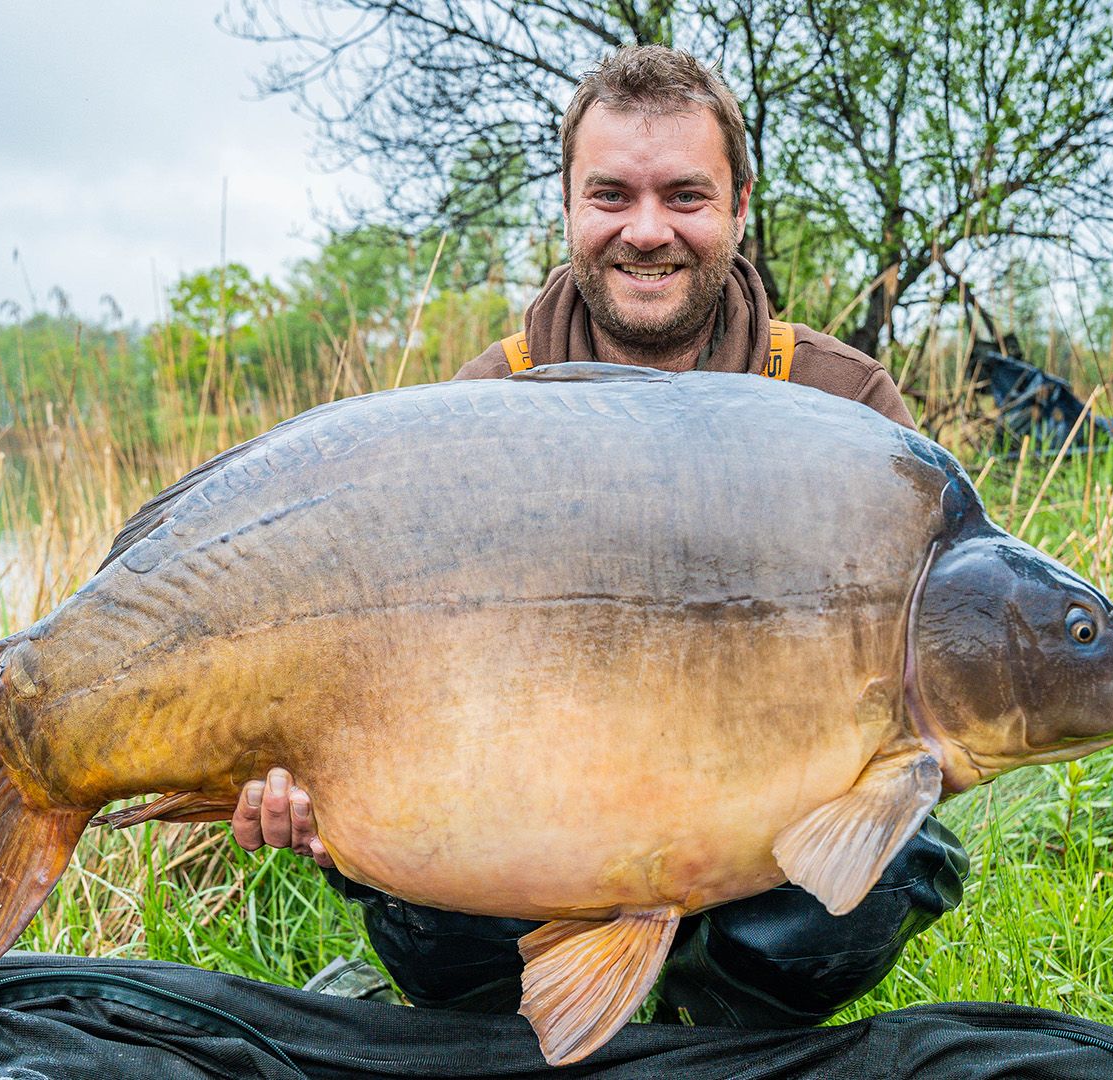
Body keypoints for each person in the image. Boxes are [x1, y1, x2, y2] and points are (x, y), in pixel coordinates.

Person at [230, 44, 968, 1029]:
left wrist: (934, 742)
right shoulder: (483, 406)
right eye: (612, 194)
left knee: (903, 850)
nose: (649, 231)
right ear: (571, 206)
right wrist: (305, 778)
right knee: (404, 869)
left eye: (687, 197)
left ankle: (719, 1027)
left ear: (741, 205)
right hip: (517, 827)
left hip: (754, 843)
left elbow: (932, 668)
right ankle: (502, 1023)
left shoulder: (846, 407)